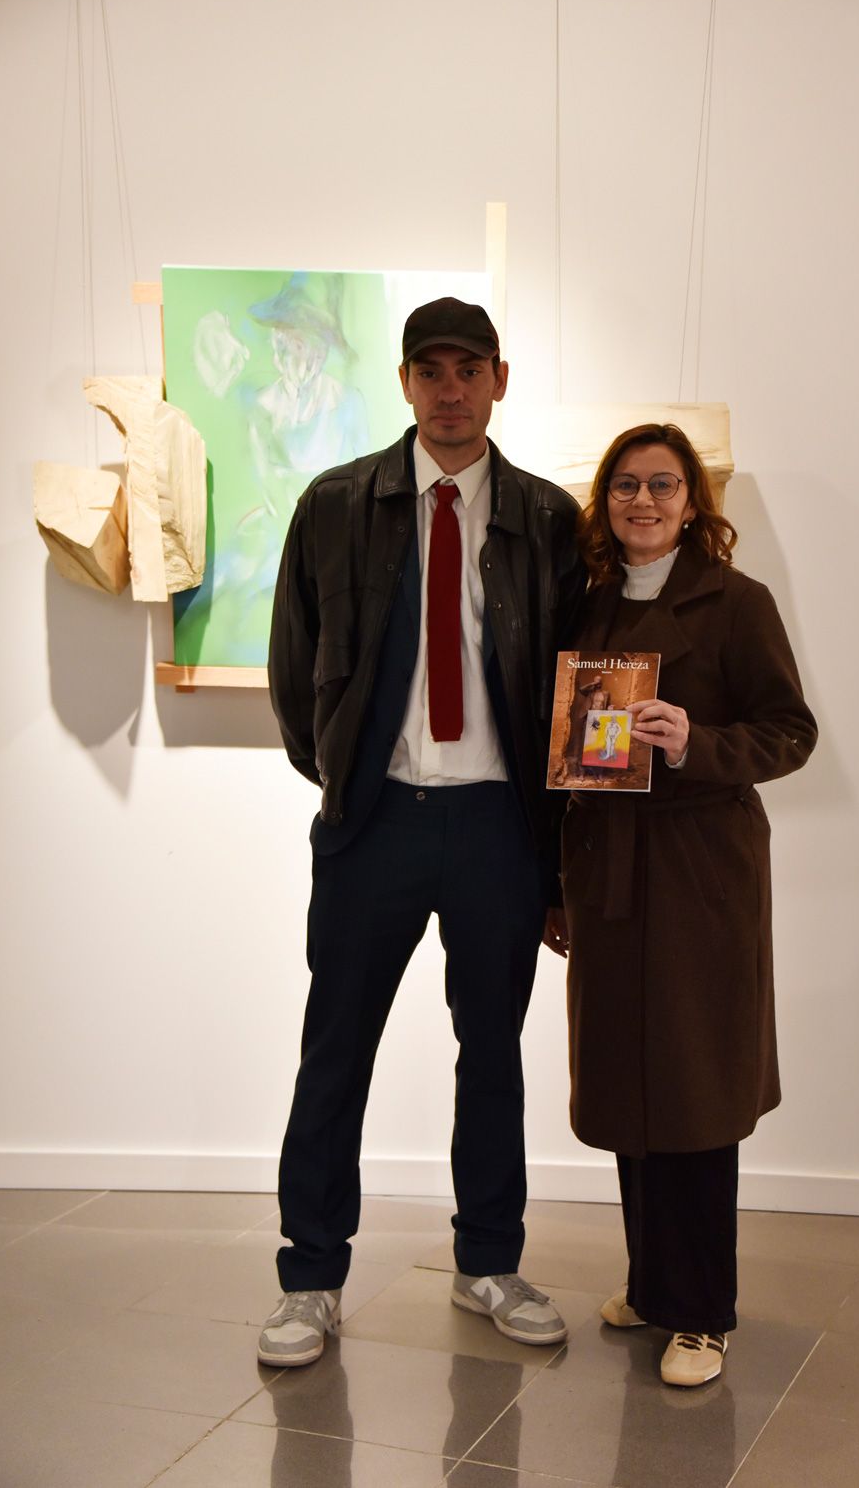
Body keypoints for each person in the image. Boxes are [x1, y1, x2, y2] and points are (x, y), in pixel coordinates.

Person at [260, 296, 587, 1367]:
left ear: (500, 380)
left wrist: (552, 847)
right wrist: (348, 785)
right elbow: (293, 669)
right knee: (335, 1051)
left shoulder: (547, 520)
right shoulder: (334, 504)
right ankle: (310, 1278)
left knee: (492, 1053)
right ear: (404, 382)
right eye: (430, 371)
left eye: (468, 370)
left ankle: (488, 1261)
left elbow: (571, 683)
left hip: (500, 826)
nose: (450, 391)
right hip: (377, 824)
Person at [547, 422, 816, 1387]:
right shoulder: (585, 606)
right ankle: (653, 1286)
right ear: (605, 501)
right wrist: (557, 889)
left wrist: (696, 741)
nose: (644, 502)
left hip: (701, 873)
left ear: (693, 501)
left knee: (694, 1089)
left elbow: (790, 733)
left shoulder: (738, 603)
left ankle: (702, 1313)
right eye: (626, 485)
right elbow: (563, 752)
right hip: (608, 868)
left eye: (663, 484)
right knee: (628, 1082)